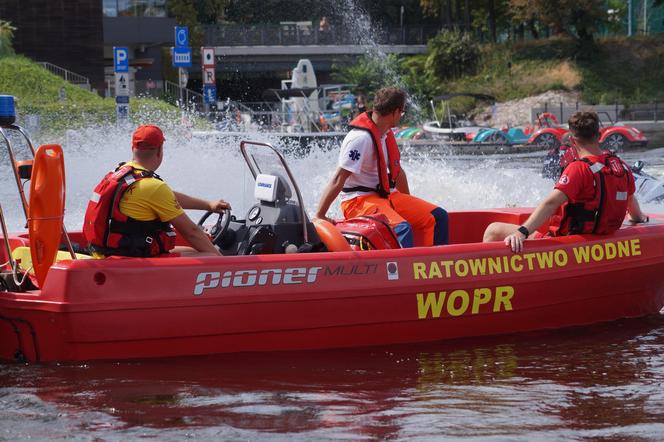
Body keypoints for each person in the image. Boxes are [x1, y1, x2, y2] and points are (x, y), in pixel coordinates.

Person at [483, 111, 649, 253]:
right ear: (598, 136)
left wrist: (522, 232)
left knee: (494, 229)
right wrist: (639, 218)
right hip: (602, 240)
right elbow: (630, 201)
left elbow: (550, 203)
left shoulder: (579, 168)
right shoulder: (621, 165)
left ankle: (488, 284)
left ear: (573, 142)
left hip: (570, 244)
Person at [315, 87, 448, 248]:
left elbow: (398, 173)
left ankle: (433, 267)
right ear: (396, 112)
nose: (401, 116)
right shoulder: (360, 139)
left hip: (386, 197)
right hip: (358, 201)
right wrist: (320, 215)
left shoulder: (386, 134)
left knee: (438, 217)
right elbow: (339, 178)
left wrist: (408, 206)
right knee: (401, 229)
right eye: (402, 112)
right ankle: (405, 271)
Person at [83, 124, 229, 257]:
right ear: (160, 151)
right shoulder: (153, 187)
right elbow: (192, 232)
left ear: (133, 149)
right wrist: (223, 261)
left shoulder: (123, 173)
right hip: (130, 261)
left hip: (109, 252)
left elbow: (168, 197)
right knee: (212, 256)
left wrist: (208, 205)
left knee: (190, 251)